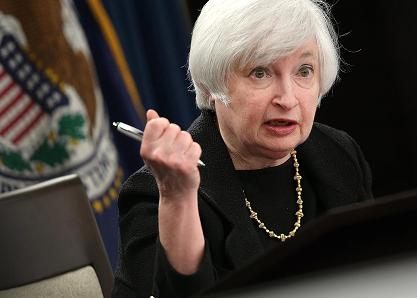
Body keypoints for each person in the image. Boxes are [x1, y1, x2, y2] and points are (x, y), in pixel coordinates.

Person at [112, 0, 373, 297]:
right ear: (211, 84)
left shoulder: (337, 153)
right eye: (260, 72)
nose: (287, 99)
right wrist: (177, 198)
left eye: (304, 71)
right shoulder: (155, 192)